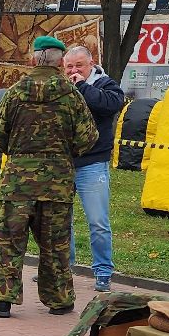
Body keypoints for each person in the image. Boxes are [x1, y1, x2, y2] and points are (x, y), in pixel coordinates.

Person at [0, 36, 98, 319]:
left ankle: (3, 300)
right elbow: (88, 137)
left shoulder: (14, 92)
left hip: (17, 182)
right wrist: (63, 154)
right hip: (57, 184)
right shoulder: (71, 95)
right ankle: (59, 299)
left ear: (34, 59)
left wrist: (17, 152)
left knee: (10, 241)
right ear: (61, 62)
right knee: (55, 244)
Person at [64, 45, 125, 291]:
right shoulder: (61, 87)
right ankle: (61, 268)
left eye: (79, 65)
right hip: (65, 163)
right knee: (61, 221)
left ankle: (102, 271)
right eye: (69, 66)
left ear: (91, 64)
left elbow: (110, 106)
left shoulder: (106, 85)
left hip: (93, 164)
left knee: (98, 221)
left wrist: (82, 87)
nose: (73, 70)